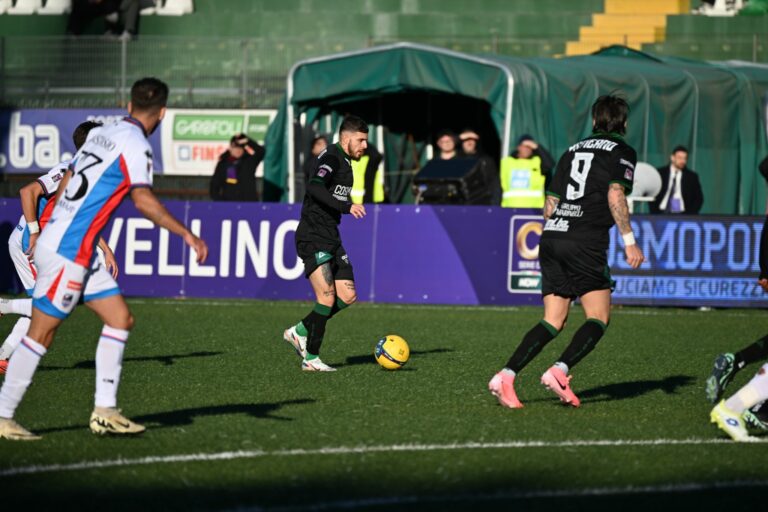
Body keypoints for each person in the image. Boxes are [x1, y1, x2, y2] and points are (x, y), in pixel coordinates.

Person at [0, 77, 208, 441]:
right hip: (69, 250)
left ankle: (105, 410)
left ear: (128, 106)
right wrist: (186, 234)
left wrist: (64, 228)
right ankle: (3, 414)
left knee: (119, 318)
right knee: (41, 332)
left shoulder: (102, 134)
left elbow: (67, 182)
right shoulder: (137, 145)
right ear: (162, 113)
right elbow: (143, 200)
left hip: (69, 243)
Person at [488, 95, 645, 409]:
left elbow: (549, 207)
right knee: (598, 317)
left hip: (553, 236)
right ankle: (558, 372)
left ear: (594, 121)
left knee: (553, 320)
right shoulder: (622, 151)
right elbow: (615, 193)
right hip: (585, 240)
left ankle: (505, 376)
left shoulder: (572, 150)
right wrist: (629, 239)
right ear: (623, 123)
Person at [0, 121, 119, 375]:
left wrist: (106, 250)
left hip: (40, 243)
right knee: (51, 301)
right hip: (29, 243)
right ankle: (4, 308)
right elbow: (27, 192)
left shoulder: (85, 175)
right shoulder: (67, 170)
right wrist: (34, 233)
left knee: (47, 302)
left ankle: (3, 355)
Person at [282, 115, 368, 372]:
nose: (364, 145)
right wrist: (346, 206)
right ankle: (311, 359)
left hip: (331, 236)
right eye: (361, 140)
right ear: (346, 137)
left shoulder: (345, 162)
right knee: (327, 297)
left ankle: (299, 331)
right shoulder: (330, 157)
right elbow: (315, 186)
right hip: (313, 235)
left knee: (348, 295)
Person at [499, 135, 555, 208]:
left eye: (530, 147)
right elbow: (496, 186)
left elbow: (550, 164)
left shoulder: (537, 162)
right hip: (509, 208)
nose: (527, 149)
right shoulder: (506, 162)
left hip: (535, 209)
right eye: (525, 146)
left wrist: (537, 147)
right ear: (518, 147)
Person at [209, 133, 265, 202]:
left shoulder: (249, 161)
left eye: (241, 147)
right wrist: (222, 203)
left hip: (249, 205)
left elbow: (262, 152)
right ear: (230, 148)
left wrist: (247, 141)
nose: (238, 150)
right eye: (235, 147)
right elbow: (214, 186)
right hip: (230, 206)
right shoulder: (223, 164)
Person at [649, 146, 704, 214]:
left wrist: (690, 215)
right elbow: (652, 193)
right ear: (672, 158)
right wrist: (654, 212)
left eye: (685, 158)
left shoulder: (692, 177)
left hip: (683, 214)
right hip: (661, 212)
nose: (682, 161)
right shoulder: (660, 173)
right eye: (680, 158)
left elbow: (699, 199)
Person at [459, 128, 501, 205]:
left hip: (482, 204)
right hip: (461, 204)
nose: (469, 142)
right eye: (466, 140)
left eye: (472, 139)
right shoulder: (456, 161)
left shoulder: (485, 161)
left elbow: (494, 185)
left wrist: (495, 204)